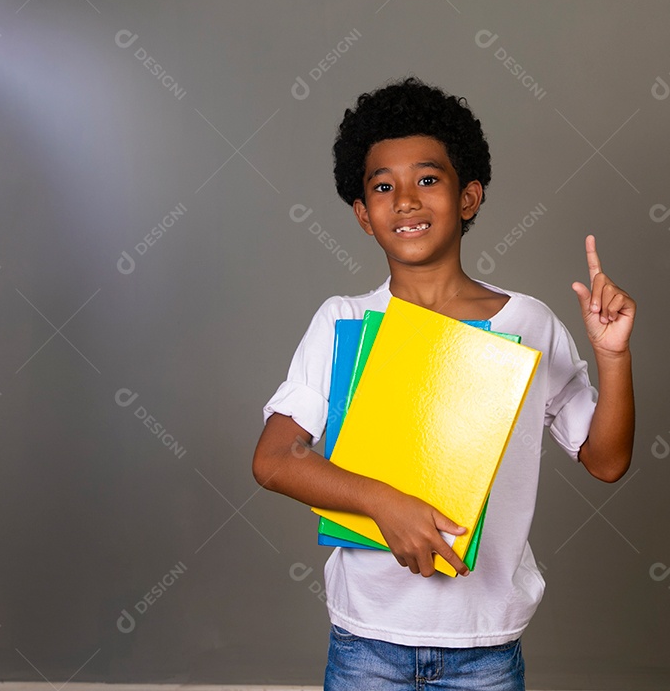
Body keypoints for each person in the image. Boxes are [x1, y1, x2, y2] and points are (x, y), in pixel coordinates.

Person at [252, 77, 636, 690]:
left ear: (468, 197)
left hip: (483, 646)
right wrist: (385, 503)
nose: (405, 200)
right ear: (362, 214)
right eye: (383, 187)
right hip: (366, 641)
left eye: (428, 179)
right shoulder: (345, 321)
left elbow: (607, 460)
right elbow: (274, 460)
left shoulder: (528, 322)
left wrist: (612, 356)